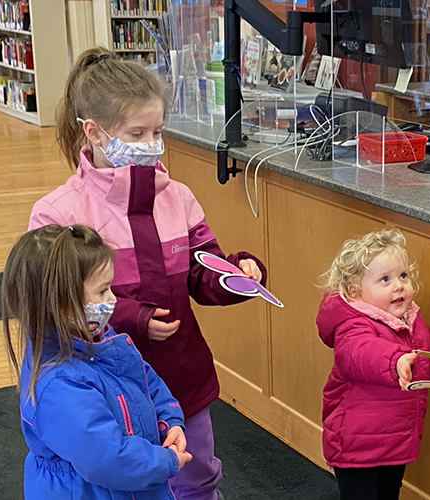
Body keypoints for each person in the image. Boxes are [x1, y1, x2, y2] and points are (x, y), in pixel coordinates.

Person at [28, 47, 267, 500]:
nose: (151, 144)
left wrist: (236, 274)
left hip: (181, 372)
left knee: (197, 478)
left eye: (157, 131)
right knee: (124, 483)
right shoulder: (58, 214)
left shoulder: (177, 196)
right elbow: (56, 306)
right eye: (136, 133)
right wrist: (133, 318)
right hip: (102, 385)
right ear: (93, 132)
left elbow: (203, 268)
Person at [2, 224, 191, 499]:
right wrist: (167, 462)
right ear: (60, 304)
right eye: (102, 291)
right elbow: (107, 458)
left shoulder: (100, 337)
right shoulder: (57, 383)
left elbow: (145, 380)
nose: (112, 299)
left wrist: (169, 420)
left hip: (133, 484)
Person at [317, 229, 430, 500]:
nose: (398, 286)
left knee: (389, 494)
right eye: (385, 279)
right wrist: (395, 361)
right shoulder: (352, 324)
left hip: (396, 441)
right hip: (356, 446)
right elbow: (359, 353)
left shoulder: (411, 319)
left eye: (403, 276)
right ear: (355, 292)